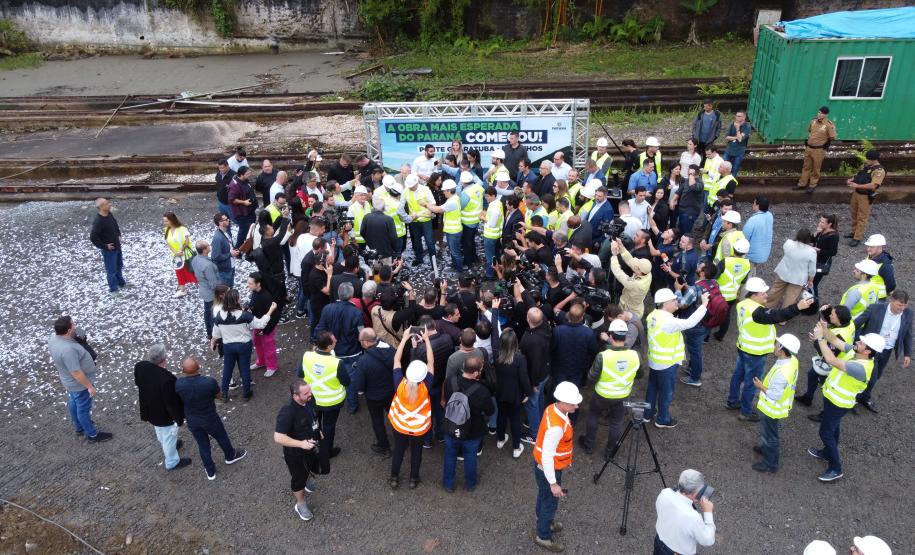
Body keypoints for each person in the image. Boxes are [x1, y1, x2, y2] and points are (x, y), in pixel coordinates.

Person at [727, 278, 813, 420]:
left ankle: (732, 401)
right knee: (752, 383)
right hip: (755, 353)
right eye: (763, 293)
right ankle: (746, 412)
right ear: (754, 295)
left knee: (738, 375)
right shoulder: (758, 313)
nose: (767, 295)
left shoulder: (742, 304)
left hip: (743, 347)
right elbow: (778, 316)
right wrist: (798, 307)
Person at [809, 325, 884, 482]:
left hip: (838, 403)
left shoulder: (860, 368)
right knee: (833, 427)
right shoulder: (857, 353)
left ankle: (836, 468)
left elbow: (831, 359)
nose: (858, 341)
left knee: (825, 432)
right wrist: (824, 330)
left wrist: (820, 338)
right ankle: (828, 453)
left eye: (862, 343)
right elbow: (836, 341)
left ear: (867, 351)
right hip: (833, 398)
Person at [644, 289, 709, 428]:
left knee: (652, 387)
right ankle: (662, 419)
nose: (677, 302)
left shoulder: (652, 315)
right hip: (667, 363)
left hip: (655, 360)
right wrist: (704, 305)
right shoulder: (668, 321)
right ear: (665, 303)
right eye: (674, 300)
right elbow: (690, 322)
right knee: (666, 392)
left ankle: (647, 414)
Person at [174, 357, 246, 480]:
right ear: (198, 367)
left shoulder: (179, 384)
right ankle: (230, 456)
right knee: (222, 437)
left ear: (183, 370)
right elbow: (219, 396)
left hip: (193, 421)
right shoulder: (209, 382)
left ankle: (210, 470)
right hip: (210, 418)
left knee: (203, 445)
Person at [532, 381, 581, 553]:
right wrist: (553, 483)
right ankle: (543, 536)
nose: (577, 405)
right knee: (550, 503)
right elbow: (547, 456)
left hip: (543, 467)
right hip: (548, 468)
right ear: (562, 402)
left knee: (544, 497)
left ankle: (542, 521)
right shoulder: (556, 428)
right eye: (573, 403)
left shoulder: (553, 408)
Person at [580, 319, 639, 457]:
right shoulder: (634, 355)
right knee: (616, 422)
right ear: (625, 336)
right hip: (623, 395)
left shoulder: (603, 356)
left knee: (593, 415)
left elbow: (591, 377)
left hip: (602, 395)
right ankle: (610, 451)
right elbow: (640, 374)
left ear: (611, 336)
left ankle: (589, 445)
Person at [49, 315, 111, 443]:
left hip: (68, 382)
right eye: (73, 325)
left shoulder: (54, 338)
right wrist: (89, 386)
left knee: (74, 401)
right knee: (83, 408)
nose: (75, 326)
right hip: (79, 384)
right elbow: (76, 372)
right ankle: (92, 434)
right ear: (68, 330)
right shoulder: (68, 349)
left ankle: (78, 426)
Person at [211, 289, 277, 401]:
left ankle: (224, 393)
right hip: (244, 346)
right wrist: (270, 310)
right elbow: (260, 324)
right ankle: (246, 392)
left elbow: (216, 334)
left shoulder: (219, 316)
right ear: (236, 300)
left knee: (227, 368)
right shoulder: (244, 315)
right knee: (245, 368)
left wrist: (213, 342)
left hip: (228, 346)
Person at [388, 331, 435, 489]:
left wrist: (404, 339)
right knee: (417, 453)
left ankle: (394, 477)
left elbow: (396, 360)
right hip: (419, 428)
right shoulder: (426, 386)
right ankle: (413, 479)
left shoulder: (399, 384)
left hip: (400, 425)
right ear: (422, 376)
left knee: (399, 451)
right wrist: (427, 340)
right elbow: (431, 362)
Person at [442, 354, 494, 492]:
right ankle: (470, 484)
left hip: (451, 427)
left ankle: (448, 484)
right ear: (476, 373)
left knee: (449, 456)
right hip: (472, 431)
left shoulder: (450, 382)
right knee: (470, 458)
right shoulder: (482, 391)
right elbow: (490, 411)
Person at [853, 290, 912, 413]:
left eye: (904, 306)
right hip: (869, 350)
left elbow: (908, 334)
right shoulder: (875, 308)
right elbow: (856, 324)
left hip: (887, 350)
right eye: (899, 305)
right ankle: (854, 398)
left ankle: (863, 397)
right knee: (870, 377)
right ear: (891, 300)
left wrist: (907, 354)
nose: (902, 308)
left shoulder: (908, 313)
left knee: (878, 374)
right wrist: (855, 341)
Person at [134, 343, 189, 471]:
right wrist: (179, 418)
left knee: (159, 431)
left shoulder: (140, 366)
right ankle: (172, 462)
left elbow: (138, 382)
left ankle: (166, 444)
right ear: (164, 359)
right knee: (169, 436)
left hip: (149, 408)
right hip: (163, 414)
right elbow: (171, 403)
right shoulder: (166, 379)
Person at [750, 334, 800, 473]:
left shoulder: (782, 372)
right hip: (776, 407)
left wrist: (760, 386)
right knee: (769, 432)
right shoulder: (793, 360)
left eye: (777, 344)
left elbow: (774, 395)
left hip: (772, 408)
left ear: (782, 349)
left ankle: (770, 464)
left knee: (770, 436)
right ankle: (766, 449)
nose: (774, 345)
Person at [299, 331, 351, 463]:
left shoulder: (306, 356)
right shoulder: (337, 363)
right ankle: (326, 452)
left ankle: (314, 446)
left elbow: (300, 373)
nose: (336, 341)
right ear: (328, 347)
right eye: (334, 341)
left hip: (312, 399)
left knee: (315, 424)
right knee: (329, 426)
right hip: (332, 402)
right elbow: (346, 382)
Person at [274, 380, 321, 522]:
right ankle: (300, 504)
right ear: (295, 395)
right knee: (298, 478)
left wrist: (319, 431)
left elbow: (314, 417)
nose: (310, 395)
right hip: (296, 454)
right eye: (306, 393)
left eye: (310, 391)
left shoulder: (309, 400)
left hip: (311, 447)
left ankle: (306, 479)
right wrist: (301, 444)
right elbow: (278, 437)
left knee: (310, 469)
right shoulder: (288, 411)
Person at [795, 304, 854, 415]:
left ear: (839, 319)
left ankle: (825, 413)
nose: (830, 315)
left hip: (832, 366)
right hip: (833, 361)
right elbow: (830, 324)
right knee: (812, 375)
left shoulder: (841, 335)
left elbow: (826, 353)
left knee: (826, 388)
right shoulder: (849, 323)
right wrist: (826, 309)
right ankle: (808, 397)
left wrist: (817, 340)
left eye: (832, 314)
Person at [316, 282, 365, 414]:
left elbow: (320, 329)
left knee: (335, 376)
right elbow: (362, 334)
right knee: (350, 381)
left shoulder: (327, 309)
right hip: (352, 353)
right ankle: (352, 406)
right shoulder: (356, 313)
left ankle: (337, 398)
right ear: (352, 295)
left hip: (332, 351)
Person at [491, 324, 532, 459]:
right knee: (515, 420)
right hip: (515, 395)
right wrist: (528, 393)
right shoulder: (520, 359)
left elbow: (495, 337)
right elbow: (524, 379)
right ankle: (516, 447)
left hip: (500, 392)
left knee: (501, 416)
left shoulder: (497, 354)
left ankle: (501, 439)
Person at [653, 469, 715, 555]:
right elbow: (708, 540)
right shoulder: (692, 517)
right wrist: (708, 512)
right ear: (694, 494)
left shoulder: (665, 493)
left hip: (659, 543)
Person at [355, 328, 396, 456]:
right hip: (391, 392)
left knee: (377, 421)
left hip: (374, 397)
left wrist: (360, 392)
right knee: (395, 418)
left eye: (361, 341)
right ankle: (402, 441)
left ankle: (384, 446)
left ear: (366, 342)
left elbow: (360, 385)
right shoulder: (390, 350)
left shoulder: (363, 361)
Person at [766, 228, 817, 309]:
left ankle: (767, 307)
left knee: (775, 291)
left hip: (784, 273)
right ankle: (783, 318)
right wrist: (810, 280)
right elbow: (812, 270)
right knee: (791, 298)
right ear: (808, 238)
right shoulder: (812, 252)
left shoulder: (788, 243)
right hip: (798, 279)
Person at [550, 303, 599, 387]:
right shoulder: (588, 333)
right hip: (578, 369)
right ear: (582, 317)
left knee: (559, 391)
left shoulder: (557, 330)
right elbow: (594, 350)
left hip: (560, 368)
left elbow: (551, 348)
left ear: (568, 315)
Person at [846, 150, 885, 246]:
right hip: (856, 194)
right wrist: (852, 179)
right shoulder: (866, 165)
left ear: (874, 160)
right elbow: (860, 175)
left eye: (868, 159)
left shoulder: (879, 171)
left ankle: (857, 237)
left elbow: (873, 186)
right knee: (854, 213)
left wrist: (856, 186)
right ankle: (854, 232)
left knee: (862, 217)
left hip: (866, 196)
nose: (866, 160)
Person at [794, 106, 837, 194]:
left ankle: (812, 185)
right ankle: (802, 183)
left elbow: (832, 137)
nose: (820, 114)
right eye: (819, 112)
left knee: (816, 168)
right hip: (809, 148)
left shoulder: (828, 125)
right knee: (806, 167)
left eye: (822, 113)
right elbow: (810, 131)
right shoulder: (813, 121)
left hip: (819, 150)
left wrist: (826, 142)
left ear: (826, 115)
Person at [89, 198, 126, 294]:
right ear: (101, 207)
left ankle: (121, 283)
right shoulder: (98, 221)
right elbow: (93, 237)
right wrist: (105, 246)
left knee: (119, 265)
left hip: (117, 246)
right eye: (106, 204)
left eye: (108, 203)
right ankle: (113, 289)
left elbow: (114, 223)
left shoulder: (109, 214)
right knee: (111, 270)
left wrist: (118, 233)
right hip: (109, 250)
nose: (109, 204)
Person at [247, 272, 280, 378]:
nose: (248, 285)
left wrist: (266, 330)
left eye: (250, 283)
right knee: (258, 343)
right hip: (257, 325)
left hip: (266, 327)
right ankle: (261, 361)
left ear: (258, 284)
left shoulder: (266, 297)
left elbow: (274, 315)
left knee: (268, 346)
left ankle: (272, 366)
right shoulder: (255, 292)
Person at [426, 178, 463, 271]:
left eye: (444, 191)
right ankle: (455, 265)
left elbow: (438, 209)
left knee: (455, 252)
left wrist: (426, 205)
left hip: (454, 231)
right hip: (453, 230)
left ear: (449, 190)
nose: (443, 193)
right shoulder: (454, 198)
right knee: (453, 250)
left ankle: (459, 270)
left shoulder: (452, 201)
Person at [609, 238, 653, 318]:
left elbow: (618, 272)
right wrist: (621, 246)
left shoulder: (634, 284)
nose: (634, 265)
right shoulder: (647, 273)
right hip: (636, 307)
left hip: (629, 311)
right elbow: (630, 260)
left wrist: (614, 255)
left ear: (639, 271)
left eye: (636, 267)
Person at [162, 212, 197, 298]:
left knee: (192, 270)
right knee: (179, 272)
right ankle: (182, 289)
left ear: (172, 220)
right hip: (176, 256)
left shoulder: (182, 229)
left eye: (166, 221)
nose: (164, 223)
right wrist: (175, 252)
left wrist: (181, 250)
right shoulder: (166, 230)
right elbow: (168, 243)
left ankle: (205, 284)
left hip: (186, 254)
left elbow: (186, 241)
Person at [403, 173, 436, 265]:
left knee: (429, 242)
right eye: (409, 186)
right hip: (414, 221)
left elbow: (433, 203)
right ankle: (419, 259)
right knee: (416, 242)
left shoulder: (425, 190)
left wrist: (428, 210)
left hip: (425, 221)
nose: (410, 188)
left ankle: (434, 262)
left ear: (417, 183)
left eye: (412, 186)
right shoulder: (406, 190)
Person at [191, 240, 220, 339]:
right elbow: (213, 283)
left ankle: (209, 332)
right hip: (211, 293)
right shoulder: (207, 265)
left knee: (207, 312)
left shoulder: (195, 259)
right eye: (208, 245)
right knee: (212, 314)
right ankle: (213, 334)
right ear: (204, 250)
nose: (210, 246)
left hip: (203, 290)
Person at [227, 166, 257, 249]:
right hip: (242, 213)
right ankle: (238, 250)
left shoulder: (245, 180)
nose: (250, 175)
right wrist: (244, 202)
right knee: (243, 231)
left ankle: (249, 247)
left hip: (250, 211)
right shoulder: (234, 185)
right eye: (247, 173)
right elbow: (231, 199)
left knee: (251, 229)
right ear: (241, 175)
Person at [742, 196, 773, 273]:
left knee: (748, 272)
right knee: (753, 267)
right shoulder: (770, 215)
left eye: (754, 203)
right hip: (764, 252)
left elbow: (744, 238)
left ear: (758, 206)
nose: (753, 204)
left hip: (752, 254)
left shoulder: (753, 220)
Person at [812, 213, 839, 297]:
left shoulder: (833, 236)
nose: (820, 223)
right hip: (814, 259)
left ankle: (814, 303)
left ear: (829, 224)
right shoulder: (821, 230)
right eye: (820, 221)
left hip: (821, 262)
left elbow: (833, 252)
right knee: (809, 282)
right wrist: (816, 232)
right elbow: (812, 240)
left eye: (822, 222)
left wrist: (819, 251)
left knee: (813, 284)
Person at [863, 233, 896, 299]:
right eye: (868, 246)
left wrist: (883, 294)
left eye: (872, 247)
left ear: (880, 247)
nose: (868, 249)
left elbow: (891, 285)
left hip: (877, 298)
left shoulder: (885, 265)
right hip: (867, 293)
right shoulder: (870, 256)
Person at [210, 213, 237, 287]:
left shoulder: (226, 233)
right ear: (220, 223)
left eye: (227, 218)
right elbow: (215, 257)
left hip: (230, 266)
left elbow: (229, 247)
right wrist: (230, 254)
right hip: (224, 271)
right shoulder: (218, 238)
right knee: (225, 293)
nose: (228, 220)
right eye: (225, 219)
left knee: (230, 289)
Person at [722, 111, 751, 176]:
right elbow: (726, 137)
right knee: (723, 166)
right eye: (736, 116)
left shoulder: (747, 126)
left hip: (739, 151)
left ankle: (732, 183)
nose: (737, 118)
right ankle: (723, 181)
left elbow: (740, 139)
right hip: (729, 149)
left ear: (744, 117)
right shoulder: (732, 124)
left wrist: (737, 129)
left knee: (735, 168)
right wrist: (736, 137)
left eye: (739, 116)